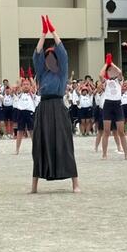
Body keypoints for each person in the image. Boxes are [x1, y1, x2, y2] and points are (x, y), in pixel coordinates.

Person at [31, 15, 80, 193]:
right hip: (43, 109)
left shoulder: (62, 72)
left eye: (52, 57)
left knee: (65, 143)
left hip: (58, 108)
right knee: (39, 145)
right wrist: (43, 34)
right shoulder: (42, 73)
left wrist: (53, 31)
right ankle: (34, 186)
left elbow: (63, 53)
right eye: (47, 57)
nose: (49, 59)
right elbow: (37, 54)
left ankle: (75, 184)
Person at [99, 54, 127, 160]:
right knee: (106, 131)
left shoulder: (119, 80)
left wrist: (111, 63)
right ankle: (104, 154)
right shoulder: (106, 81)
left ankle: (126, 154)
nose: (112, 72)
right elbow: (100, 75)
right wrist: (106, 64)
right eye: (109, 71)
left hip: (117, 104)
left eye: (112, 70)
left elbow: (119, 72)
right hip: (108, 104)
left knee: (121, 131)